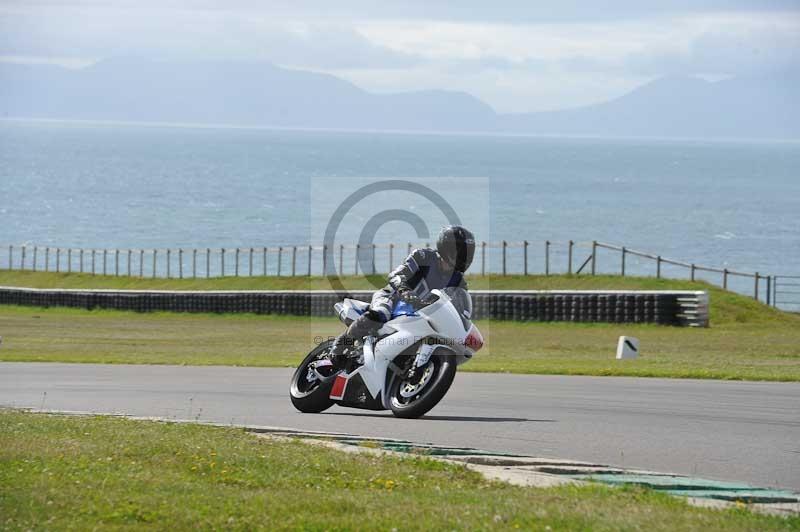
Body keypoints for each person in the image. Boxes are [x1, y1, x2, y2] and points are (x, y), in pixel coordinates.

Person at [329, 225, 476, 366]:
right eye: (462, 251)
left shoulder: (458, 281)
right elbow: (396, 275)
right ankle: (341, 344)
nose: (465, 256)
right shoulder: (424, 256)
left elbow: (459, 307)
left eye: (468, 252)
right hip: (392, 298)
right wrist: (405, 291)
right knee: (380, 314)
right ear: (447, 247)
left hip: (420, 314)